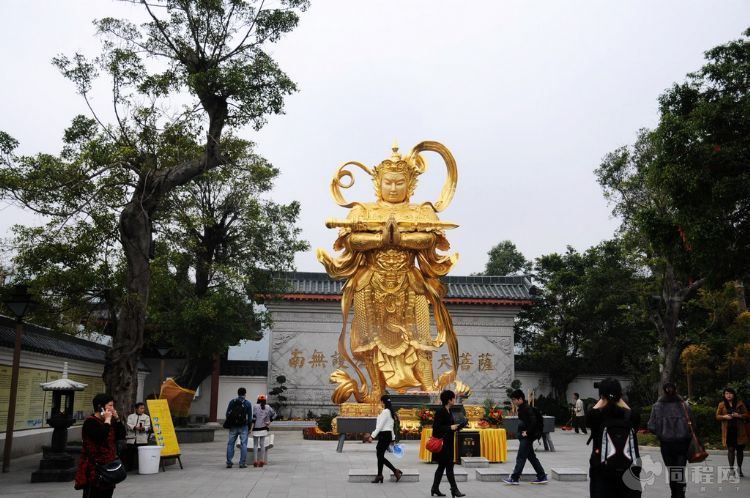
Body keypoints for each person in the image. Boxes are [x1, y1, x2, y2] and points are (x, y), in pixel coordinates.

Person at [319, 143, 469, 404]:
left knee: (420, 338)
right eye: (388, 182)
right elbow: (353, 240)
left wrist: (400, 238)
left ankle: (428, 388)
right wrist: (379, 238)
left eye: (400, 183)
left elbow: (428, 239)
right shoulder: (363, 211)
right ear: (378, 183)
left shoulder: (421, 211)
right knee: (369, 340)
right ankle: (376, 389)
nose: (393, 188)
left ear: (410, 185)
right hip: (371, 281)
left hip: (410, 282)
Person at [587, 378, 641, 498]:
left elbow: (590, 416)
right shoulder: (631, 416)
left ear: (601, 395)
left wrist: (603, 398)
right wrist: (618, 398)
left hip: (602, 470)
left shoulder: (597, 416)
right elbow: (634, 418)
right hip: (629, 471)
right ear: (620, 394)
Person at [74, 393, 127, 498]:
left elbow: (121, 435)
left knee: (107, 493)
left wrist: (117, 419)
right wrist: (107, 420)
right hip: (94, 469)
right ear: (100, 407)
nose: (113, 409)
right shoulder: (90, 422)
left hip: (109, 467)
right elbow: (100, 437)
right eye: (110, 406)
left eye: (113, 406)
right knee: (94, 494)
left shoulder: (109, 422)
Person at [647, 382, 691, 498]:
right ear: (676, 390)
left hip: (666, 444)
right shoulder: (684, 406)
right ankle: (680, 494)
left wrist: (661, 434)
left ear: (663, 390)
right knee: (679, 471)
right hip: (682, 444)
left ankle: (674, 494)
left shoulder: (657, 406)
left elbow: (651, 426)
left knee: (672, 471)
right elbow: (693, 425)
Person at [503, 390, 548, 485]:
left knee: (521, 457)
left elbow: (533, 422)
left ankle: (515, 478)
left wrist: (527, 432)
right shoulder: (522, 408)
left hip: (527, 438)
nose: (513, 402)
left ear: (520, 399)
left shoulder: (526, 409)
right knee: (531, 457)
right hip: (526, 437)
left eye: (514, 399)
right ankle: (542, 476)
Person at [430, 390, 466, 497]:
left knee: (442, 467)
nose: (455, 400)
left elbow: (450, 428)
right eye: (453, 398)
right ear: (449, 400)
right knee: (449, 467)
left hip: (449, 443)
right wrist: (450, 427)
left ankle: (435, 488)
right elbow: (436, 428)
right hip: (443, 445)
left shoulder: (449, 411)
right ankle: (454, 489)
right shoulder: (440, 411)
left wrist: (460, 426)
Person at [367, 394, 403, 483]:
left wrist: (372, 436)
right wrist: (393, 438)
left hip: (384, 435)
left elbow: (380, 426)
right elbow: (390, 426)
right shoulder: (390, 411)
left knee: (380, 455)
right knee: (380, 455)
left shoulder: (386, 412)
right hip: (387, 435)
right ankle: (381, 475)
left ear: (383, 402)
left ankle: (394, 471)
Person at [716, 387, 749, 478]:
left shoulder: (740, 403)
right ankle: (731, 469)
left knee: (740, 451)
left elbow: (747, 415)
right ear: (724, 395)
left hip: (739, 431)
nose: (728, 395)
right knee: (730, 450)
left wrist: (739, 415)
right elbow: (717, 416)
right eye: (726, 393)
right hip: (728, 431)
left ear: (734, 395)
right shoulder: (721, 404)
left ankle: (739, 469)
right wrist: (724, 417)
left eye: (730, 393)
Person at [224, 387, 253, 469]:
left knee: (230, 444)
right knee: (244, 444)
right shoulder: (247, 403)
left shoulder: (232, 402)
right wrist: (249, 427)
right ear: (245, 393)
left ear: (238, 393)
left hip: (233, 426)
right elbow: (250, 417)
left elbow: (227, 414)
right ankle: (242, 463)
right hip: (243, 426)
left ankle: (229, 462)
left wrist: (231, 422)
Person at [251, 394, 276, 467]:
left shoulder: (255, 406)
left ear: (257, 399)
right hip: (264, 428)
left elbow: (253, 418)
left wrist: (251, 428)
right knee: (262, 445)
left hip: (256, 428)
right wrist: (270, 421)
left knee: (255, 445)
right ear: (265, 400)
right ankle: (262, 460)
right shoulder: (268, 407)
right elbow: (275, 414)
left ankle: (255, 461)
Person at [125, 402, 151, 472]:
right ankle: (129, 469)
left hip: (142, 439)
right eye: (141, 408)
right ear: (136, 409)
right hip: (131, 439)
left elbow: (148, 427)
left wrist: (143, 428)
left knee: (143, 455)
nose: (143, 410)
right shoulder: (130, 416)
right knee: (130, 455)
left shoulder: (146, 417)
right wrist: (135, 427)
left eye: (143, 408)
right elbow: (128, 425)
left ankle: (143, 468)